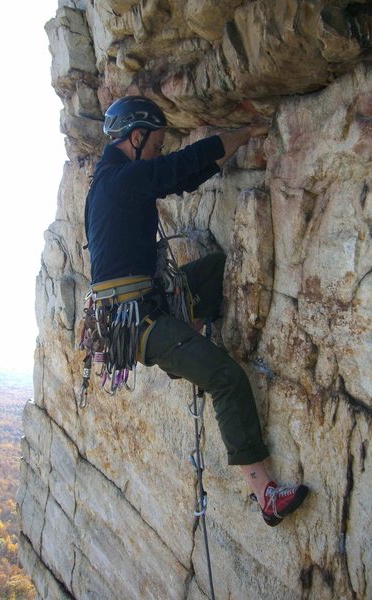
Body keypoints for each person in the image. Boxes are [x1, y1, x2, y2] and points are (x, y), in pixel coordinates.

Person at [84, 96, 309, 526]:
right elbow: (177, 167)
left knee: (213, 270)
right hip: (142, 325)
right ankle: (265, 494)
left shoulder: (112, 181)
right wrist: (242, 134)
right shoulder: (120, 181)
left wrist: (229, 152)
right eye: (153, 147)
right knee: (226, 378)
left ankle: (192, 333)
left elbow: (178, 177)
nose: (157, 153)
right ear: (136, 138)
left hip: (150, 305)